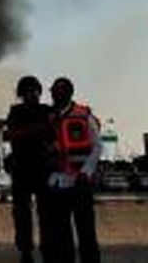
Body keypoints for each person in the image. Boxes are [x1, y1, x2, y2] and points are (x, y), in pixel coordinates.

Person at [48, 77, 102, 263]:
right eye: (53, 91)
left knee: (86, 231)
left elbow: (97, 147)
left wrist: (86, 172)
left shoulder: (83, 115)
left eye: (59, 91)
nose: (54, 95)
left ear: (69, 93)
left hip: (80, 183)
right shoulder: (50, 118)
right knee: (62, 235)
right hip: (58, 183)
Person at [5, 75, 56, 263]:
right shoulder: (16, 111)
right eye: (28, 91)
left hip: (42, 167)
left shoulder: (47, 110)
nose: (32, 94)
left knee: (46, 213)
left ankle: (47, 247)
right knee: (21, 213)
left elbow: (55, 135)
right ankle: (26, 249)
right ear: (21, 94)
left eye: (34, 91)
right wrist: (38, 128)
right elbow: (11, 134)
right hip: (22, 167)